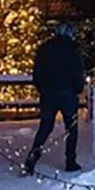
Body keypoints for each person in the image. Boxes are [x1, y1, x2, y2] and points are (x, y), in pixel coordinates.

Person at [24, 23, 85, 174]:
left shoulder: (45, 49)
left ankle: (33, 155)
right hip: (68, 93)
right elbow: (78, 72)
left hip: (48, 93)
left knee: (45, 126)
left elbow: (37, 72)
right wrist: (78, 88)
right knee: (71, 128)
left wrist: (42, 88)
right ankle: (70, 161)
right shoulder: (73, 50)